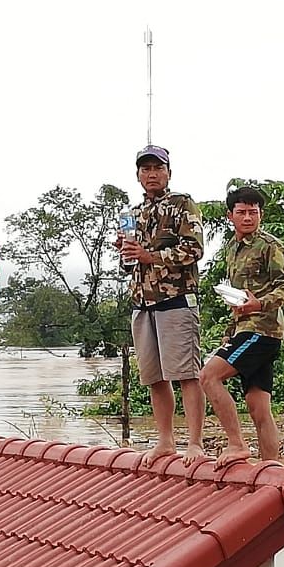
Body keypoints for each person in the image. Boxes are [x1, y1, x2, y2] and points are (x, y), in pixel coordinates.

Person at [119, 145, 206, 465]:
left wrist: (150, 256)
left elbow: (194, 250)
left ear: (169, 172)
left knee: (186, 374)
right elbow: (128, 265)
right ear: (138, 175)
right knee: (154, 377)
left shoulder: (183, 205)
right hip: (142, 303)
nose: (151, 173)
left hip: (176, 300)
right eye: (145, 169)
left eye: (158, 168)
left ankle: (195, 443)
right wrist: (126, 252)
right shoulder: (131, 214)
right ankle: (166, 441)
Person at [199, 186, 284, 468]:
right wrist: (231, 328)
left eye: (253, 212)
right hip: (244, 329)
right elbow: (238, 296)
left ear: (260, 215)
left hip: (262, 330)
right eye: (241, 212)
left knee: (208, 377)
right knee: (259, 408)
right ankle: (272, 470)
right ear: (230, 216)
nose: (248, 217)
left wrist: (260, 304)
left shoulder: (270, 245)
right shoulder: (232, 248)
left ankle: (237, 444)